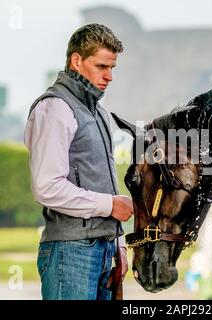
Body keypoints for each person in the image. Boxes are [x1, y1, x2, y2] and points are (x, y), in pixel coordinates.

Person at [24, 24, 134, 300]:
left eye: (112, 68)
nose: (109, 76)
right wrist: (110, 205)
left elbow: (102, 182)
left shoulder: (98, 112)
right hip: (69, 253)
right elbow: (47, 187)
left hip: (103, 250)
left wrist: (117, 244)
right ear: (76, 60)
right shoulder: (54, 108)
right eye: (101, 66)